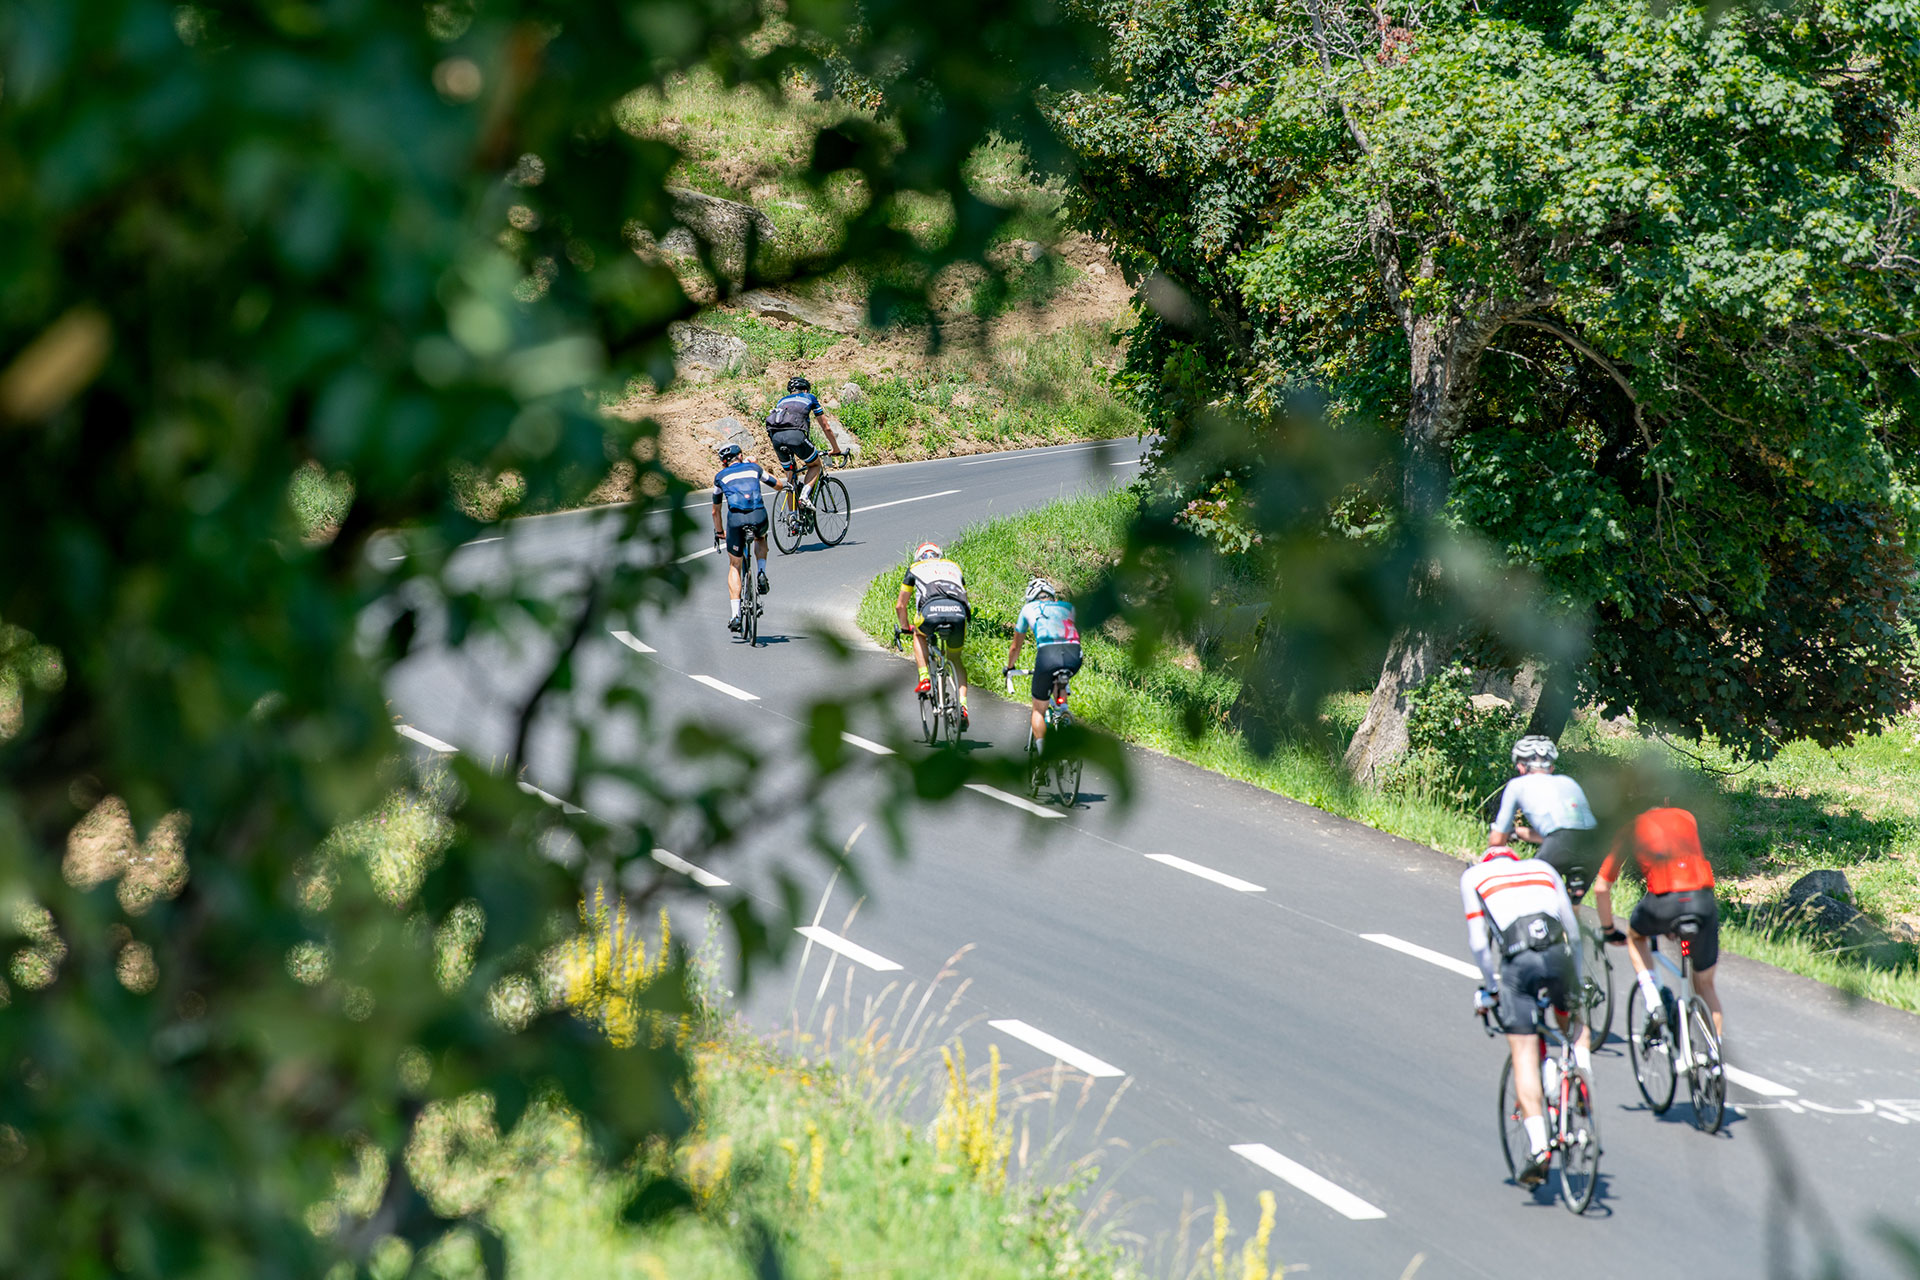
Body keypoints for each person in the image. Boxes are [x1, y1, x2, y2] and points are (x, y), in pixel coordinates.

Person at [1461, 842, 1589, 1189]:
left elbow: (1478, 943)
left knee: (1523, 1052)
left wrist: (1490, 988)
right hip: (1558, 954)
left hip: (1521, 962)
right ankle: (1580, 1080)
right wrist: (1576, 977)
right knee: (1572, 1023)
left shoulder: (1473, 876)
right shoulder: (1542, 869)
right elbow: (1573, 931)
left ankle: (1538, 1147)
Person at [1593, 803, 1723, 1039]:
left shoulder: (1630, 827)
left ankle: (1654, 1003)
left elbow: (1602, 887)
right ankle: (1715, 1059)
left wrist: (1609, 929)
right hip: (1702, 900)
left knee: (1636, 936)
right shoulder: (1687, 816)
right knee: (1704, 985)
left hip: (1665, 900)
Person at [1490, 735, 1601, 901]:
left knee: (1528, 899)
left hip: (1561, 844)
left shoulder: (1517, 786)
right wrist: (1520, 833)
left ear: (1520, 766)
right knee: (1571, 907)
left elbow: (1497, 840)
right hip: (1594, 847)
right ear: (1551, 767)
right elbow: (1570, 830)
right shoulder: (1568, 782)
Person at [895, 541, 971, 729]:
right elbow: (965, 596)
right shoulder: (954, 566)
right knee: (956, 660)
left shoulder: (915, 568)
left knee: (918, 635)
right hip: (958, 615)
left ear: (919, 557)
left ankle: (925, 678)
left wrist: (906, 627)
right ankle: (963, 706)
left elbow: (900, 605)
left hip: (931, 612)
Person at [709, 443, 783, 633]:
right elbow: (778, 485)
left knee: (735, 565)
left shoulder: (720, 477)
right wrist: (757, 465)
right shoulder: (753, 468)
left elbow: (715, 512)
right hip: (758, 516)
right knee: (760, 538)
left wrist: (719, 533)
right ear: (740, 455)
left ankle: (735, 615)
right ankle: (761, 572)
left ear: (724, 462)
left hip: (736, 520)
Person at [1004, 577, 1081, 749]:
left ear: (1030, 599)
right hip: (1074, 654)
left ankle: (1042, 758)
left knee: (1038, 709)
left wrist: (1010, 668)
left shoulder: (1028, 609)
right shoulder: (1068, 607)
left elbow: (1015, 647)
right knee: (1059, 679)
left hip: (1048, 655)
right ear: (1053, 597)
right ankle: (1064, 711)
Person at [762, 374, 829, 506]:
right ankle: (804, 496)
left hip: (776, 439)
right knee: (815, 465)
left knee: (790, 476)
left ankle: (792, 518)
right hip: (796, 437)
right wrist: (836, 448)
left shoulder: (781, 401)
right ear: (805, 390)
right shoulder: (809, 397)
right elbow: (825, 426)